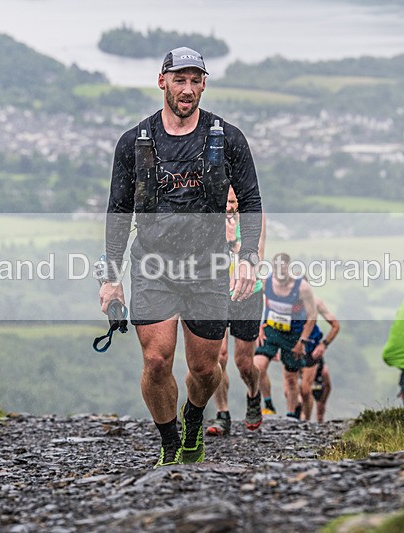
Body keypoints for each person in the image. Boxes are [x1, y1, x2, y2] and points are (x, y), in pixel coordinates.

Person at [101, 47, 263, 468]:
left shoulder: (228, 138)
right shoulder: (134, 143)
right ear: (162, 82)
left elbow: (250, 200)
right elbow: (119, 211)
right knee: (156, 360)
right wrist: (111, 276)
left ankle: (194, 419)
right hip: (153, 265)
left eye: (195, 81)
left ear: (204, 84)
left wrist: (247, 257)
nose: (187, 89)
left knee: (206, 369)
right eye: (179, 80)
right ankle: (171, 444)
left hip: (208, 267)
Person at [206, 189, 267, 437]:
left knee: (244, 363)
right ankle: (222, 413)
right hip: (216, 294)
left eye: (233, 202)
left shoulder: (255, 219)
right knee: (218, 357)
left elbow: (256, 256)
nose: (229, 207)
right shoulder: (210, 218)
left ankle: (253, 393)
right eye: (225, 201)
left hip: (248, 294)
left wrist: (232, 240)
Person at [254, 253, 317, 418]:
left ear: (289, 268)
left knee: (291, 377)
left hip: (294, 334)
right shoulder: (266, 281)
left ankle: (291, 415)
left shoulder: (302, 287)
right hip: (271, 330)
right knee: (257, 367)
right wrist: (259, 326)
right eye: (277, 271)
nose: (280, 276)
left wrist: (302, 341)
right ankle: (267, 404)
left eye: (283, 271)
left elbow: (312, 316)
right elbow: (256, 303)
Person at [297, 296, 340, 423]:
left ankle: (317, 414)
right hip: (293, 349)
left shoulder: (315, 303)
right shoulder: (284, 300)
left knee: (320, 381)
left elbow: (335, 325)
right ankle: (298, 418)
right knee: (293, 386)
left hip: (311, 349)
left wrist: (323, 345)